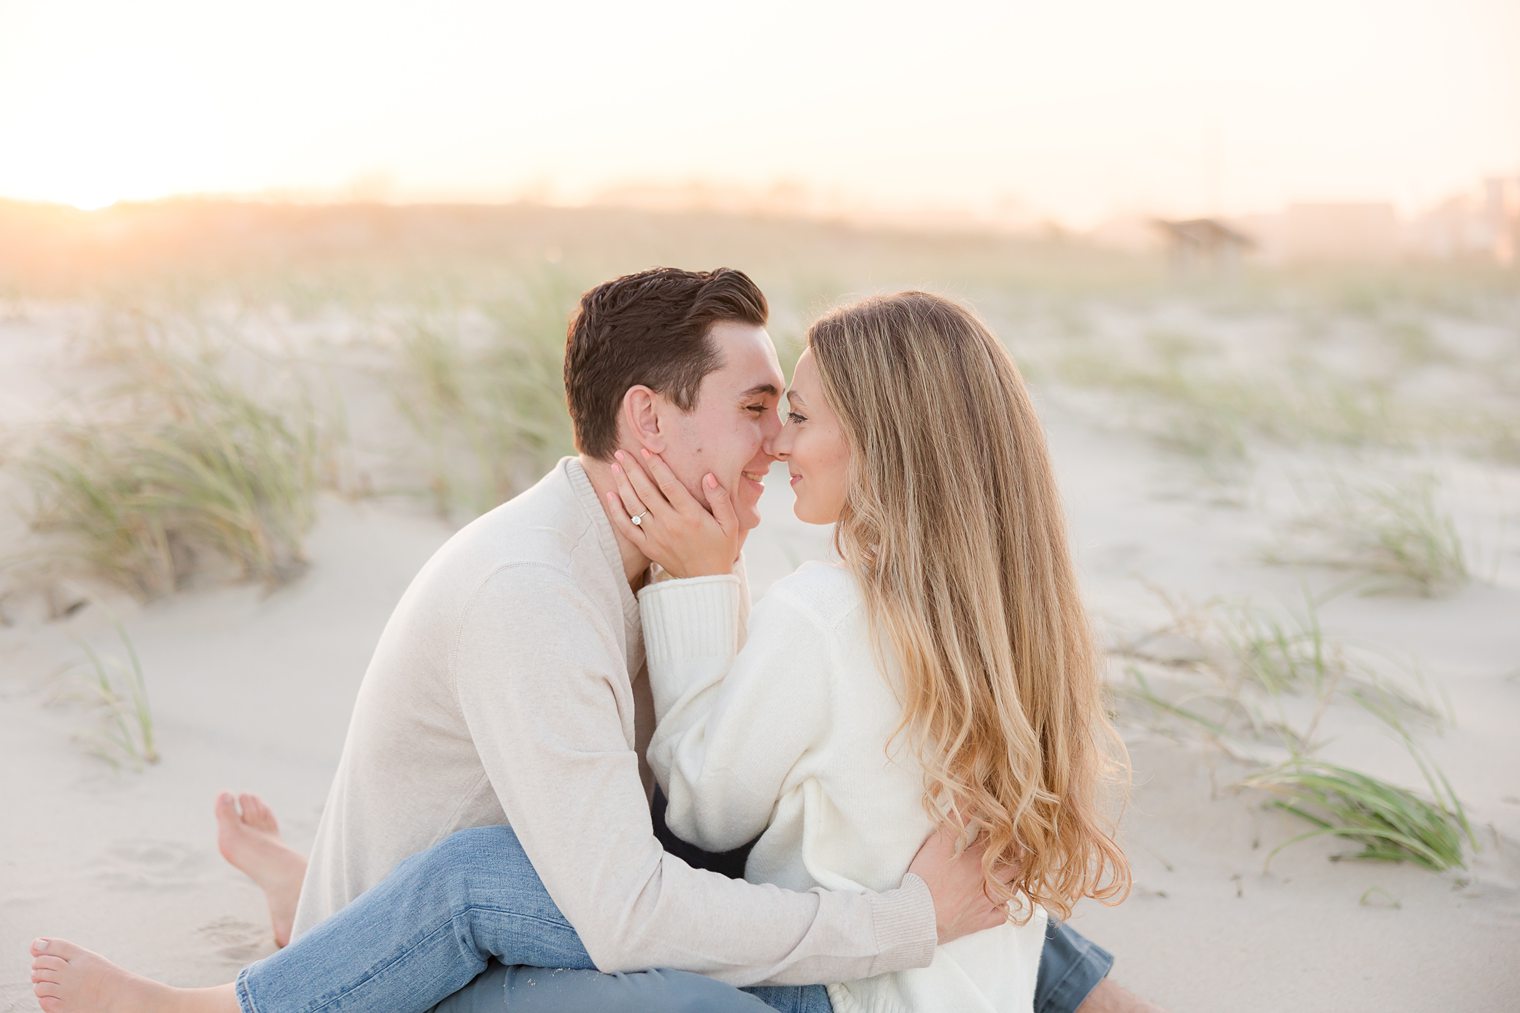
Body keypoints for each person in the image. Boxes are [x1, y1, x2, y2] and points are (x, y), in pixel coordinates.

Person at [28, 272, 1147, 1012]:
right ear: (649, 424)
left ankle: (322, 899)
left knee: (893, 859)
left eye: (790, 412)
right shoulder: (538, 591)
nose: (775, 443)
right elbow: (657, 880)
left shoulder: (724, 559)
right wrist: (906, 917)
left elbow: (719, 822)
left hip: (610, 882)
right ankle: (279, 961)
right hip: (518, 928)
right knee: (678, 948)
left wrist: (705, 586)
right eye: (759, 407)